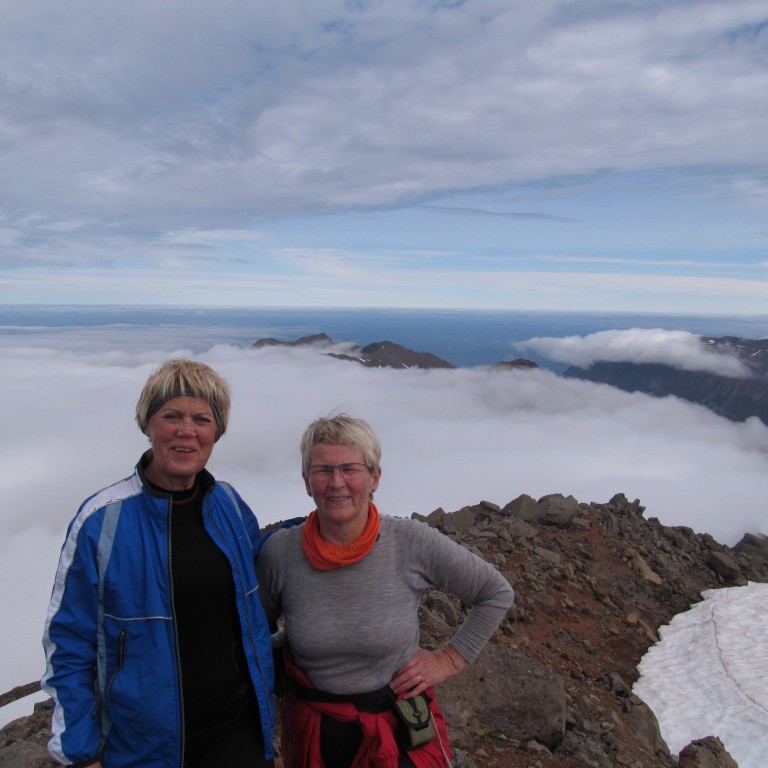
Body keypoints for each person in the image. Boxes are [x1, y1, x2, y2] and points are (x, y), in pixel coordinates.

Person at [42, 359, 277, 768]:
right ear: (147, 424)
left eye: (202, 419)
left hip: (238, 735)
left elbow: (263, 573)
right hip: (142, 750)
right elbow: (68, 642)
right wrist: (79, 754)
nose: (187, 430)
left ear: (216, 432)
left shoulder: (229, 505)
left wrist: (331, 525)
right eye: (171, 416)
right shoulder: (102, 521)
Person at [257, 414, 515, 768]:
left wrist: (449, 659)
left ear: (374, 477)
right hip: (315, 735)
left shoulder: (409, 542)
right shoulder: (280, 554)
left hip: (396, 730)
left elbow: (495, 591)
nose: (336, 482)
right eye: (322, 470)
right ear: (306, 481)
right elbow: (253, 634)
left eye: (350, 468)